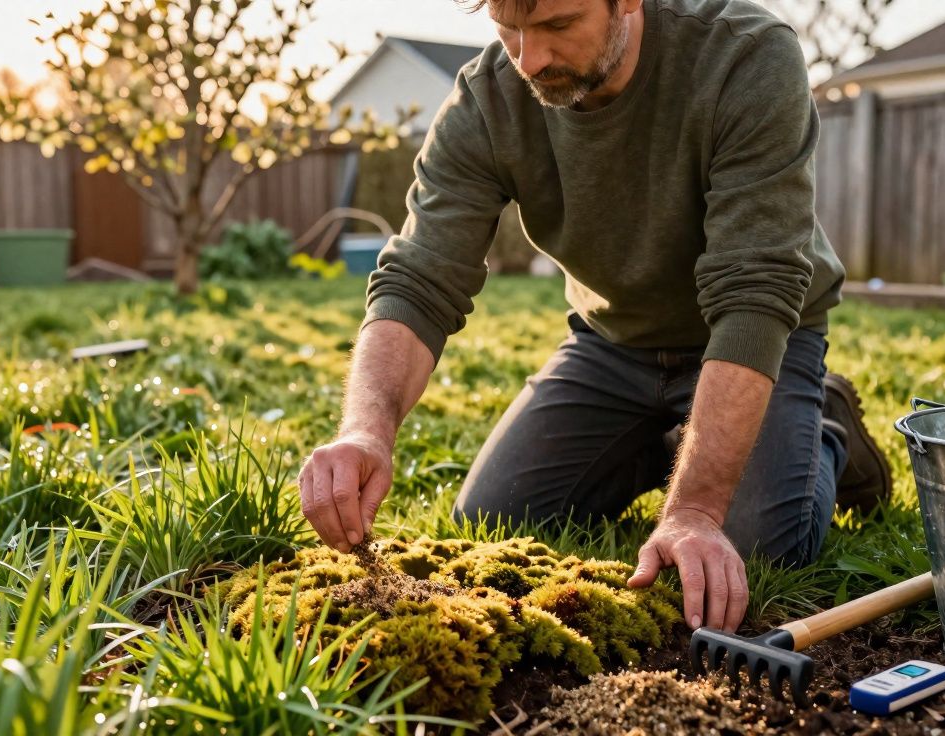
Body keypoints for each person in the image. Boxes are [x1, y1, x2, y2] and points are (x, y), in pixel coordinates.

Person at [297, 0, 893, 635]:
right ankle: (669, 440)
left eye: (557, 26)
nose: (529, 59)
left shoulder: (742, 55)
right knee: (495, 518)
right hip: (613, 344)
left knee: (751, 546)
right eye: (509, 28)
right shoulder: (489, 98)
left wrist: (695, 507)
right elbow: (420, 276)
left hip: (759, 334)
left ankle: (824, 426)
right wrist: (366, 430)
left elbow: (755, 288)